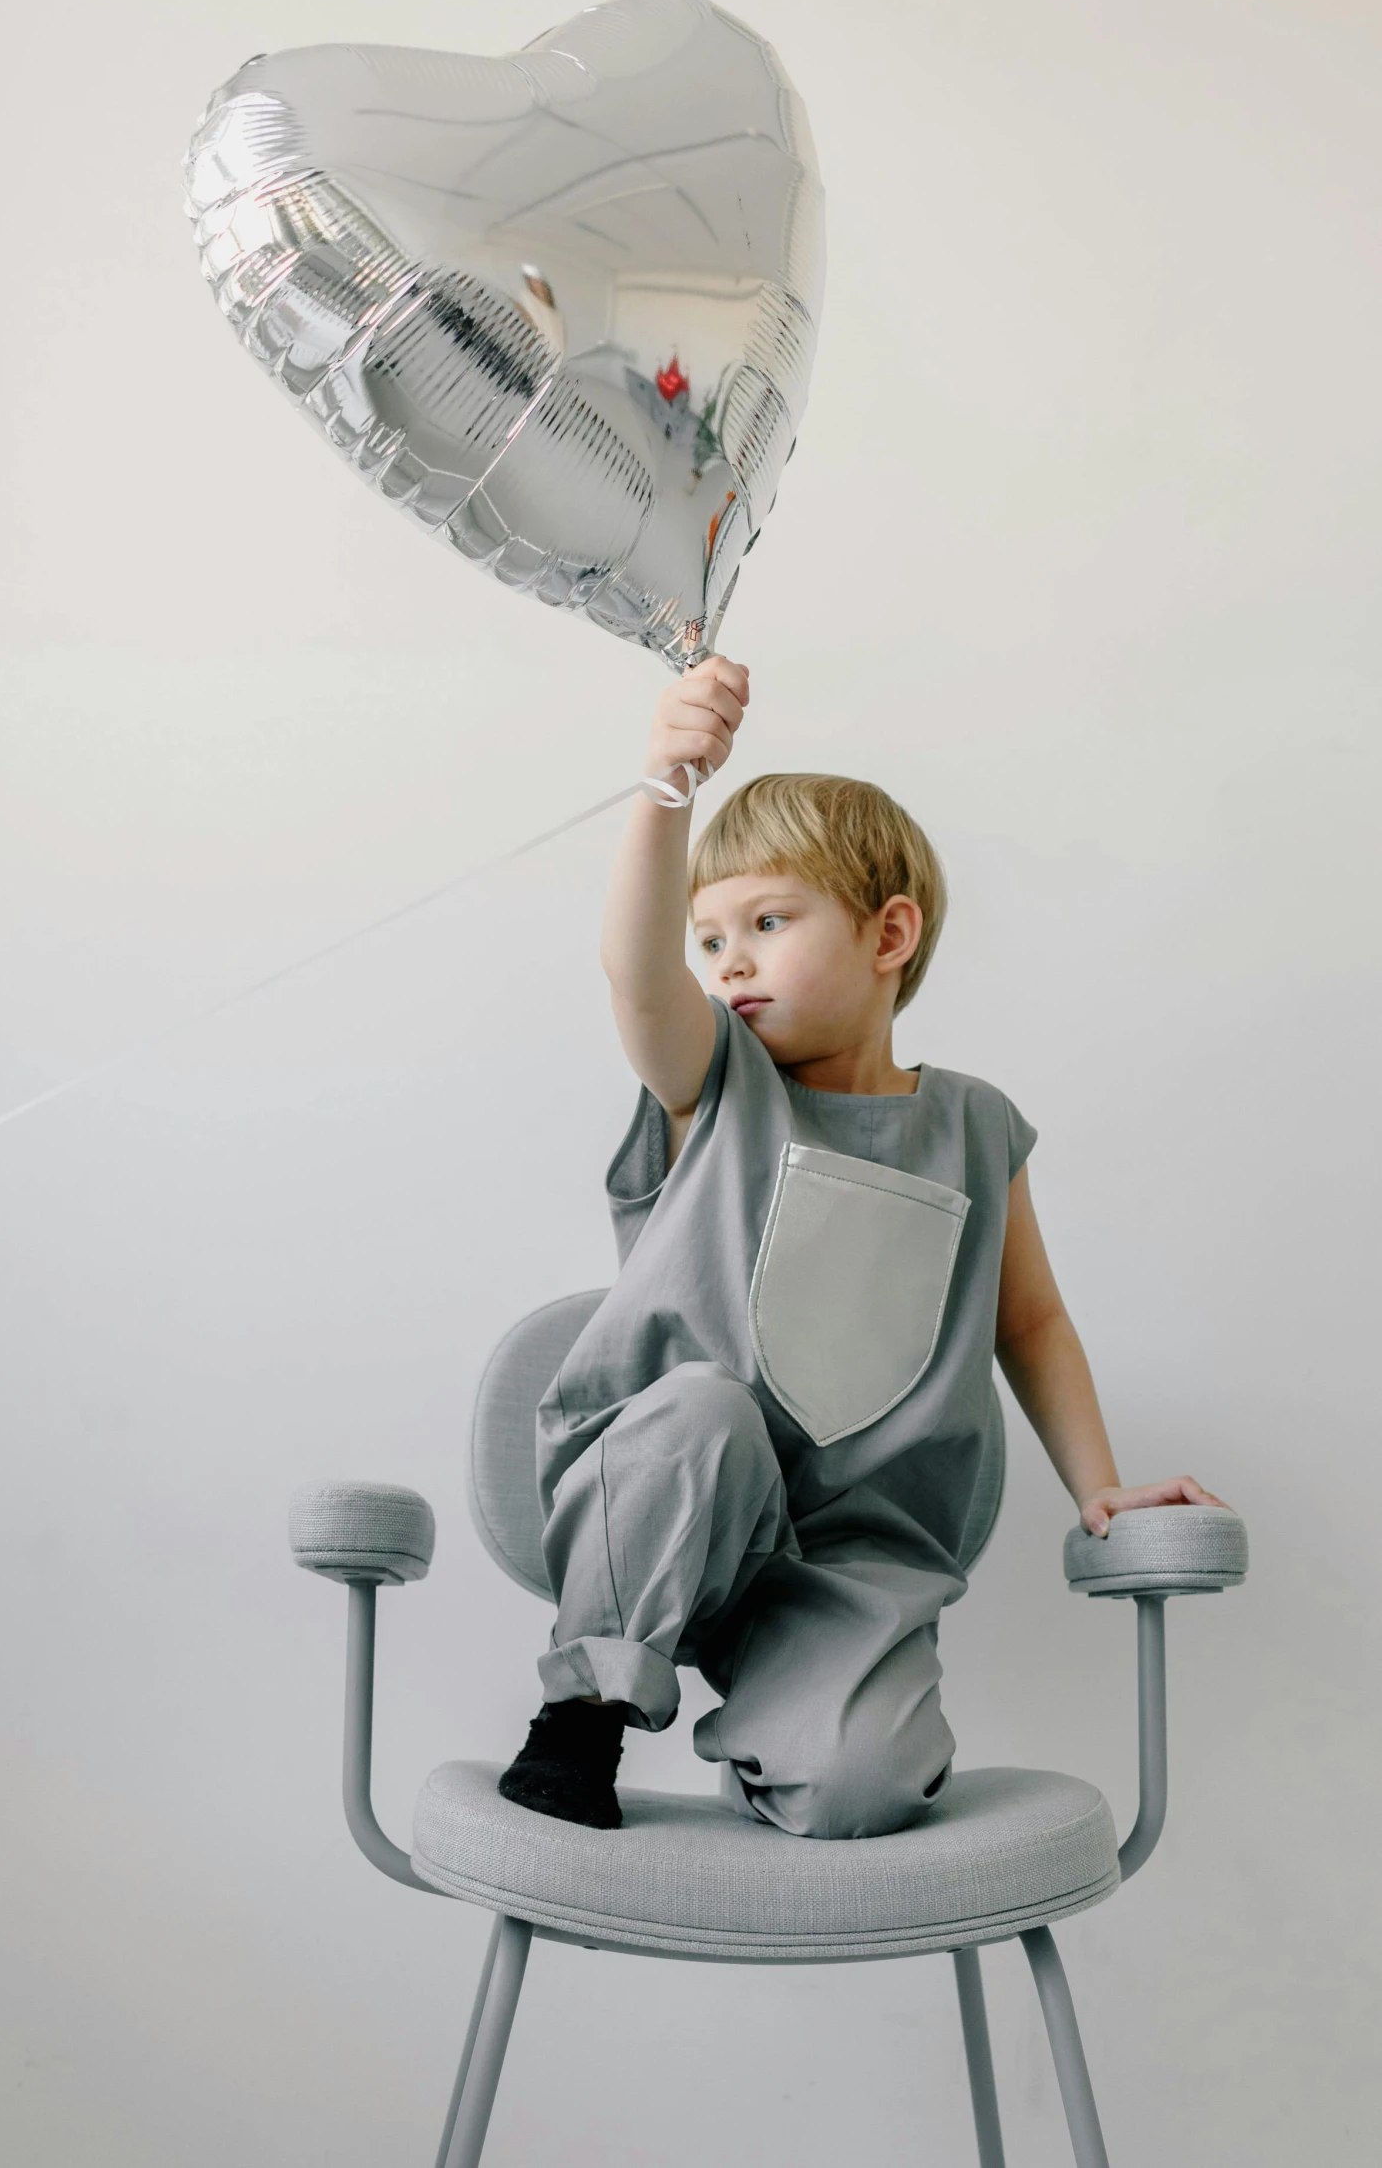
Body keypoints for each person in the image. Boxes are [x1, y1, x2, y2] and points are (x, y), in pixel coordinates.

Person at [498, 657, 1225, 1836]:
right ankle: (585, 1713)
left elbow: (1028, 1320)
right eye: (710, 934)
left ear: (888, 933)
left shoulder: (974, 1126)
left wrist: (1098, 1487)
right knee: (701, 1414)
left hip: (844, 1550)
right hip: (671, 1487)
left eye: (766, 923)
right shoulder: (716, 1083)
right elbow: (634, 972)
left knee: (860, 1792)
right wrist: (664, 787)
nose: (726, 960)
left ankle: (783, 1718)